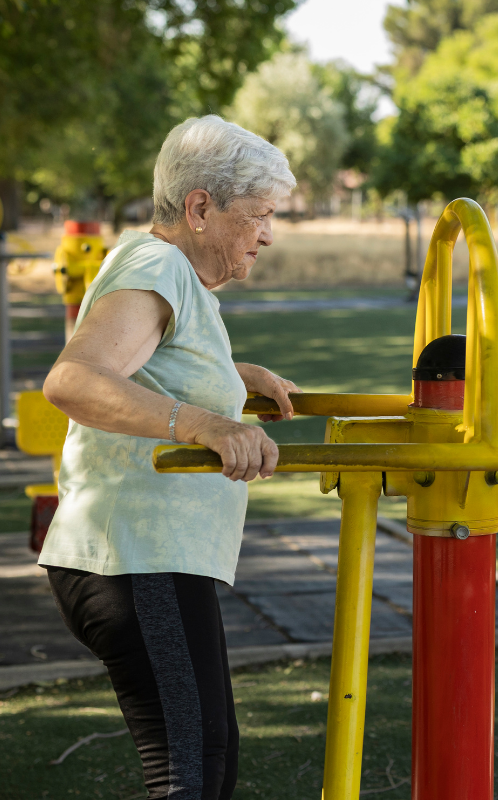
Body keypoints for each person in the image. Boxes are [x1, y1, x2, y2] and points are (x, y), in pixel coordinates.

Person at [39, 115, 300, 799]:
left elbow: (148, 362)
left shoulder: (170, 272)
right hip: (133, 559)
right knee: (189, 773)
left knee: (206, 761)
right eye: (259, 216)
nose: (267, 235)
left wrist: (230, 372)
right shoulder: (157, 264)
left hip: (144, 557)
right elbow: (74, 381)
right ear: (200, 207)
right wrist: (208, 423)